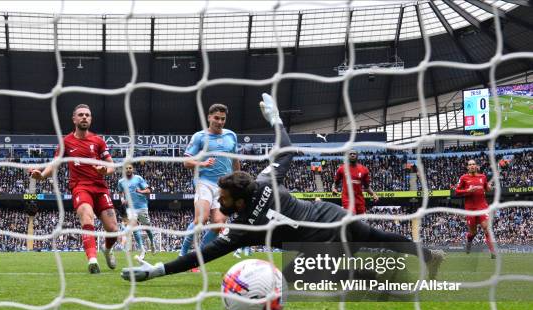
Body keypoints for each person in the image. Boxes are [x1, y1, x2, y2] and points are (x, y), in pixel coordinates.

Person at [122, 93, 445, 282]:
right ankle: (429, 255)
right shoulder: (265, 180)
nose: (221, 202)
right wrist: (275, 120)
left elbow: (200, 257)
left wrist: (157, 272)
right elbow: (288, 150)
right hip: (332, 217)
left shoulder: (243, 228)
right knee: (379, 240)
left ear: (236, 200)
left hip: (319, 246)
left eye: (223, 198)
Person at [31, 104, 118, 274]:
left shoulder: (98, 141)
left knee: (113, 229)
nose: (84, 117)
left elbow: (112, 166)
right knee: (86, 215)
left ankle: (107, 250)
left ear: (90, 119)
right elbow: (54, 166)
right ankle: (92, 259)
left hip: (100, 189)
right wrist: (41, 176)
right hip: (80, 187)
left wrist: (104, 170)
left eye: (87, 115)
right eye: (81, 115)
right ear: (74, 119)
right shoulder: (66, 142)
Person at [179, 103, 240, 269]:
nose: (220, 122)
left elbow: (235, 160)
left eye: (223, 119)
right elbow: (186, 162)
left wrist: (238, 180)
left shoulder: (232, 136)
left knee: (218, 224)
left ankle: (196, 258)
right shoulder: (200, 137)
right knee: (201, 219)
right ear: (209, 117)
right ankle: (182, 254)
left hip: (224, 186)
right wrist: (203, 163)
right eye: (216, 118)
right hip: (204, 182)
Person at [454, 159, 496, 259]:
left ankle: (493, 252)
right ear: (467, 167)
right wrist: (467, 190)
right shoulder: (464, 178)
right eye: (470, 164)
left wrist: (489, 187)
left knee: (486, 228)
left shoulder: (483, 177)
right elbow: (456, 191)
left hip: (482, 206)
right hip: (470, 208)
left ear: (476, 166)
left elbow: (487, 188)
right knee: (473, 233)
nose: (472, 166)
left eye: (474, 164)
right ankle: (469, 241)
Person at [117, 163, 155, 258]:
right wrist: (122, 200)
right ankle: (142, 249)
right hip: (131, 208)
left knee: (147, 228)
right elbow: (120, 191)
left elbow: (148, 191)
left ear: (132, 169)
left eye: (130, 168)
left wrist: (140, 191)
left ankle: (152, 243)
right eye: (127, 168)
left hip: (142, 207)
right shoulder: (121, 182)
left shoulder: (138, 178)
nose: (128, 169)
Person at [332, 150, 379, 214]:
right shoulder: (342, 169)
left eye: (354, 154)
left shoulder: (364, 169)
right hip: (347, 199)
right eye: (350, 154)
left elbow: (367, 187)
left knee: (359, 220)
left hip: (359, 199)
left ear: (357, 156)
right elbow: (335, 183)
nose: (352, 155)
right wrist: (334, 189)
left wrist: (373, 194)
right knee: (352, 215)